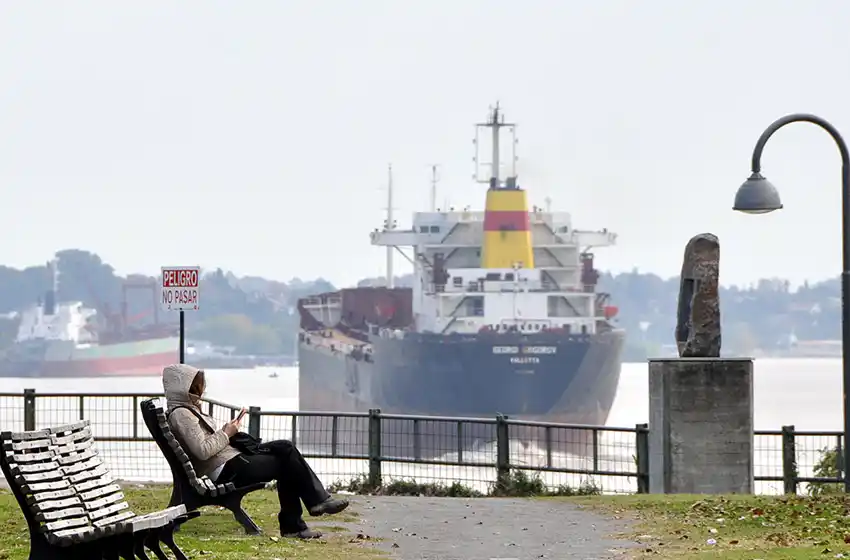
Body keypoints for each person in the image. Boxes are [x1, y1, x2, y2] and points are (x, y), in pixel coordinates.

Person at [163, 363, 348, 539]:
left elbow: (203, 445)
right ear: (184, 386)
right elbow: (203, 451)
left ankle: (312, 507)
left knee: (285, 448)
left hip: (231, 462)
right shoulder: (182, 414)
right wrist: (227, 433)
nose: (201, 390)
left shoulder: (186, 410)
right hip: (228, 469)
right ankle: (307, 512)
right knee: (287, 459)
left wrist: (227, 432)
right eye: (196, 386)